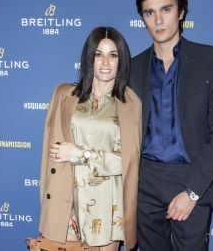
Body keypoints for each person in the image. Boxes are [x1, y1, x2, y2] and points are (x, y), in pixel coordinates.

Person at [129, 0, 213, 251]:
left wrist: (192, 192)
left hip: (192, 177)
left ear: (181, 11)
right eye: (149, 13)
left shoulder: (210, 60)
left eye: (166, 9)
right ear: (143, 18)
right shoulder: (132, 68)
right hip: (145, 181)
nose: (158, 20)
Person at [38, 26, 142, 251]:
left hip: (108, 209)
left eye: (113, 55)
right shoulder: (64, 95)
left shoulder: (130, 103)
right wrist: (58, 209)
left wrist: (79, 154)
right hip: (67, 205)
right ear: (89, 58)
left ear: (121, 60)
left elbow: (128, 163)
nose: (106, 62)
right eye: (98, 54)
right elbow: (49, 161)